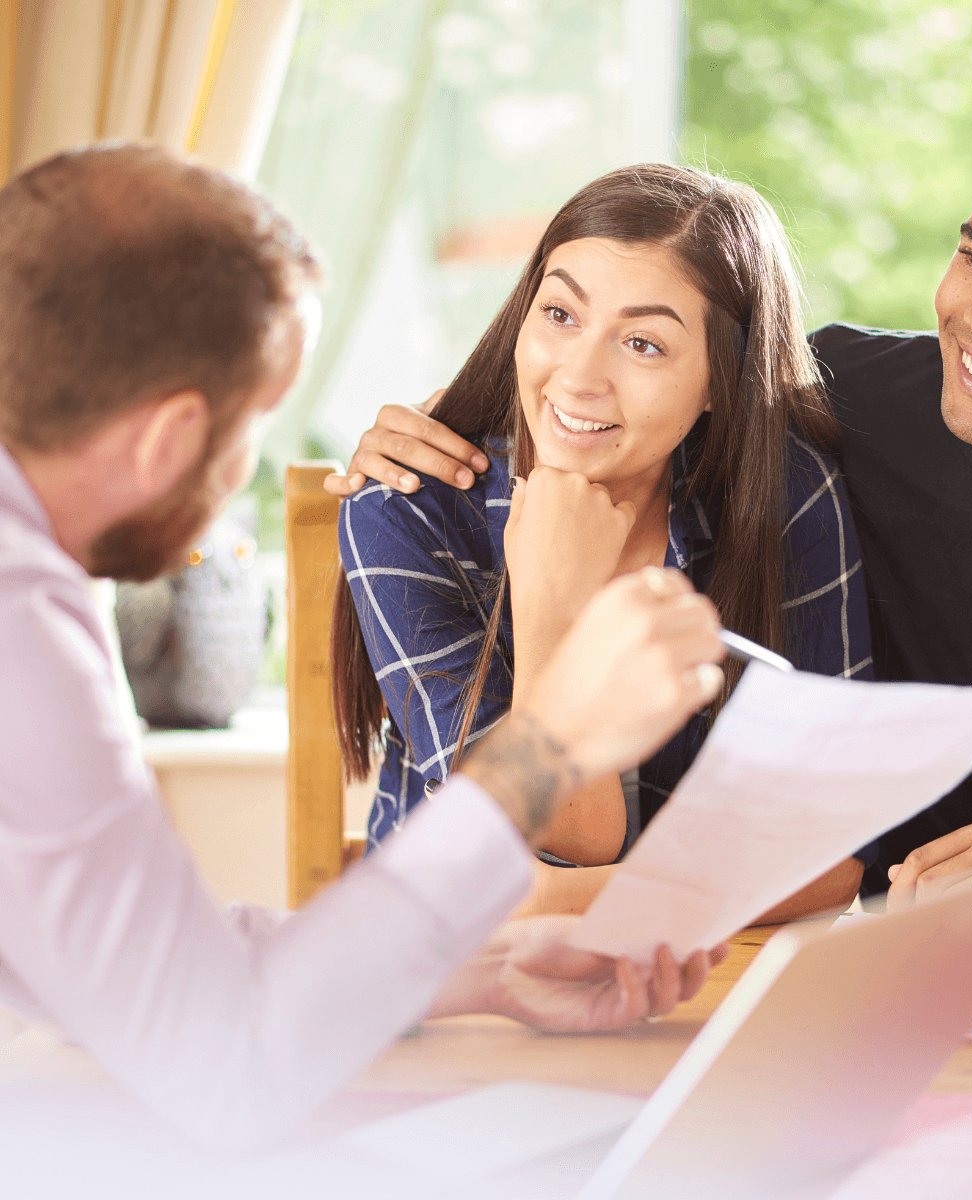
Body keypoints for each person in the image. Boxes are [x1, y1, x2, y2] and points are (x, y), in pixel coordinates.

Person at [329, 96, 972, 941]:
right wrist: (454, 427)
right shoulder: (842, 409)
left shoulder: (795, 474)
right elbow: (610, 378)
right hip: (838, 969)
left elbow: (814, 862)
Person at [0, 145, 726, 1147]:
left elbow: (125, 974)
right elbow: (226, 1066)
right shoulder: (20, 620)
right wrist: (548, 743)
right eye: (255, 424)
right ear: (168, 437)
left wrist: (478, 973)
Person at [328, 163, 873, 920]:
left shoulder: (782, 495)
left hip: (694, 971)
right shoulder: (410, 506)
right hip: (445, 979)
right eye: (560, 315)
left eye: (643, 344)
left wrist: (562, 900)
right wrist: (557, 599)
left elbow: (833, 856)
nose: (578, 378)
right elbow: (568, 834)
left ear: (722, 377)